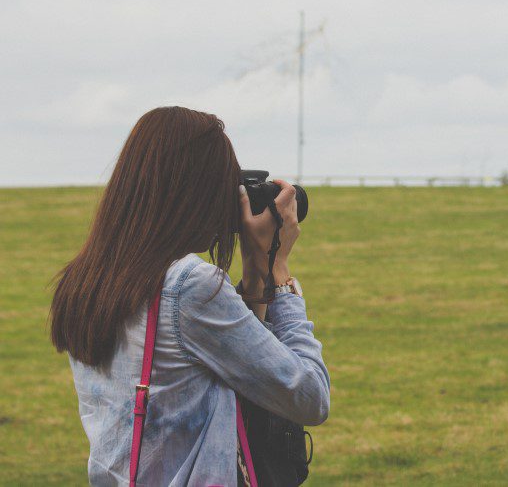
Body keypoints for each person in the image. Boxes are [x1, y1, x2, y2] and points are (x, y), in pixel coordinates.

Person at [49, 106, 330, 485]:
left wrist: (254, 269)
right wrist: (279, 271)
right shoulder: (189, 287)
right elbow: (309, 396)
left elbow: (240, 365)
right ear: (194, 193)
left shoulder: (87, 280)